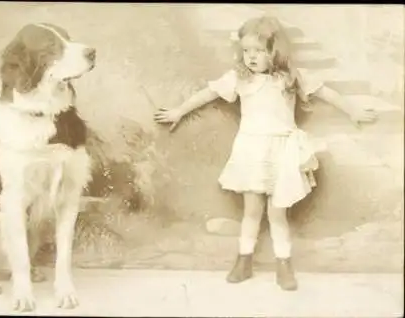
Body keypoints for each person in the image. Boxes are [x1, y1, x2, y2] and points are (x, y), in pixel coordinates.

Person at [154, 16, 377, 291]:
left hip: (283, 150)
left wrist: (353, 110)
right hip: (252, 149)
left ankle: (283, 264)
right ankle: (243, 260)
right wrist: (179, 111)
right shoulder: (240, 78)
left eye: (258, 51)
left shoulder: (289, 78)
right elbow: (208, 93)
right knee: (252, 211)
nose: (251, 57)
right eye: (247, 51)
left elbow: (326, 93)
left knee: (277, 214)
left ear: (274, 50)